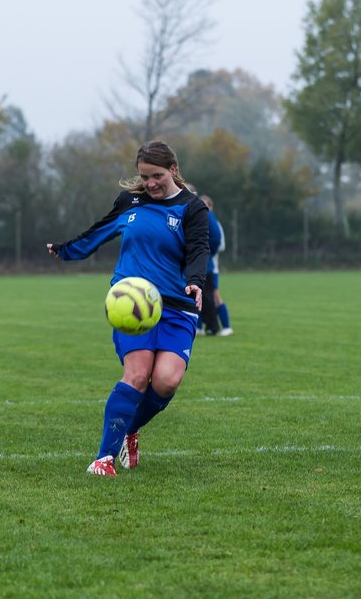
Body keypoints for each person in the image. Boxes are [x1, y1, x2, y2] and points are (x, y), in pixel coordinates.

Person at [47, 140, 207, 477]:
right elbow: (100, 231)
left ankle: (129, 431)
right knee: (136, 375)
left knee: (166, 382)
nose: (150, 183)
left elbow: (198, 250)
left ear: (173, 170)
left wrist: (195, 281)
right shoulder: (130, 202)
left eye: (157, 175)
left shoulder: (192, 208)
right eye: (145, 176)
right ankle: (103, 459)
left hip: (178, 307)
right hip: (132, 306)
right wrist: (66, 250)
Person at [198, 194, 233, 336]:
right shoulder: (201, 220)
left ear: (211, 207)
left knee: (215, 296)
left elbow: (220, 244)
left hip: (212, 266)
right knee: (200, 296)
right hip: (204, 265)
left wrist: (207, 253)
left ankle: (226, 326)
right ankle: (199, 327)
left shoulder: (214, 222)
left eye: (205, 205)